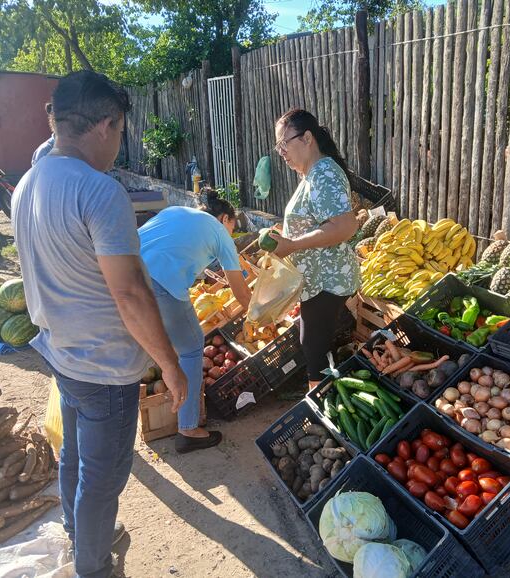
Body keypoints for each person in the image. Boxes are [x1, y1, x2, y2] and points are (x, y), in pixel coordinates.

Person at [11, 70, 187, 578]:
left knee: (75, 459)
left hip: (62, 353)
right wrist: (170, 365)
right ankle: (94, 566)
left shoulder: (29, 181)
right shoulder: (99, 191)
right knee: (103, 478)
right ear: (108, 124)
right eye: (122, 129)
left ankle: (77, 530)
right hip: (107, 368)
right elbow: (130, 293)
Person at [138, 191, 251, 453]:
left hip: (123, 276)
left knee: (136, 342)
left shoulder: (174, 211)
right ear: (225, 218)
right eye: (232, 228)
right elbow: (241, 292)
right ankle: (188, 429)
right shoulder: (220, 232)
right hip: (161, 284)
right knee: (191, 347)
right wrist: (258, 317)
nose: (231, 234)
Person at [268, 109, 360, 389]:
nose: (281, 151)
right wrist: (283, 237)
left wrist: (293, 244)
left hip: (328, 280)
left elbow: (345, 227)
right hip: (317, 279)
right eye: (278, 145)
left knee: (314, 346)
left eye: (285, 142)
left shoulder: (324, 174)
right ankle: (326, 403)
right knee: (316, 346)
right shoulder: (311, 174)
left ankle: (321, 409)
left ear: (307, 138)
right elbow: (315, 222)